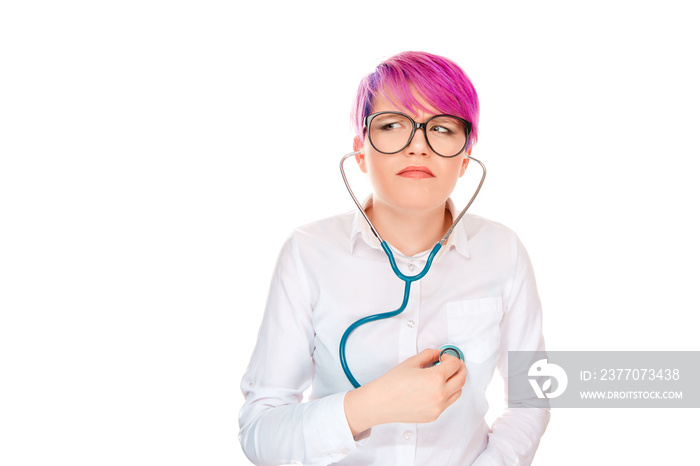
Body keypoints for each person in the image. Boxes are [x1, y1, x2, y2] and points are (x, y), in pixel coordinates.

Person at [239, 51, 548, 465]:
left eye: (441, 127)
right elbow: (261, 432)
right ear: (361, 150)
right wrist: (370, 405)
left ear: (465, 157)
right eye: (392, 125)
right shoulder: (308, 253)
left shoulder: (503, 252)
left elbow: (532, 398)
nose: (418, 146)